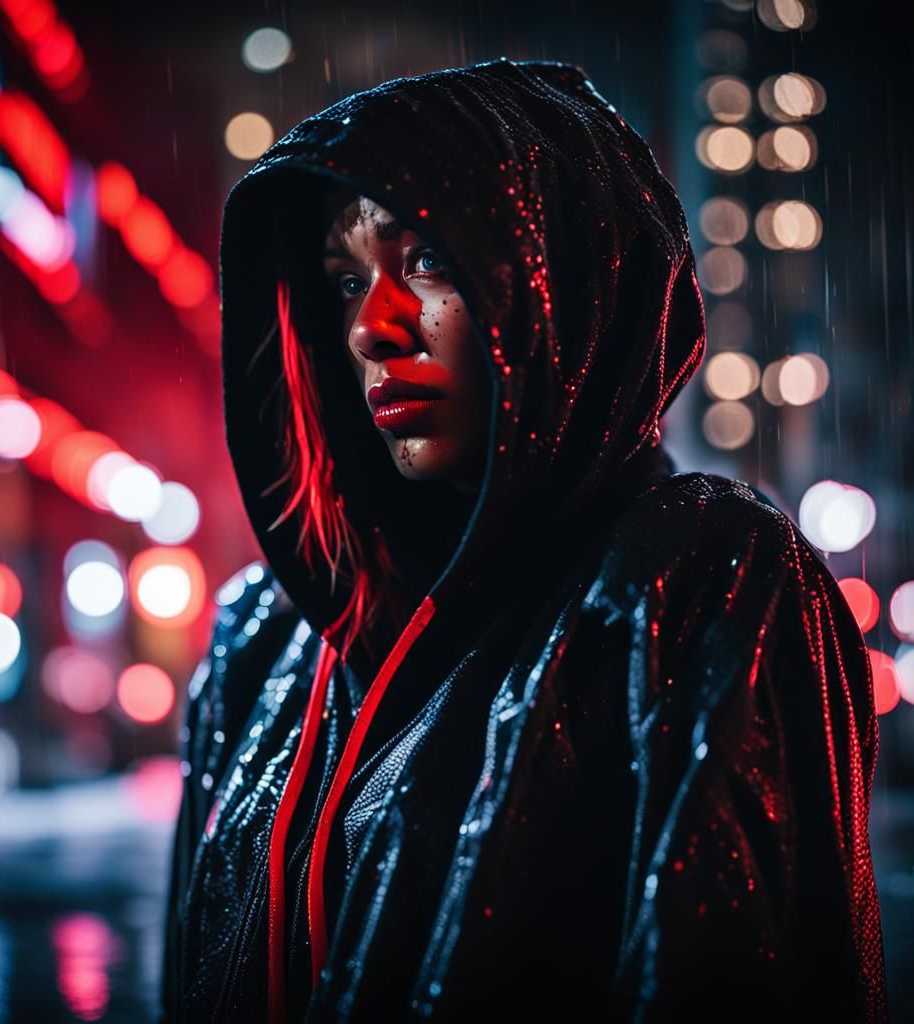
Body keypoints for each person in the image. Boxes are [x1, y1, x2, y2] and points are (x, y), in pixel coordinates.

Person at [161, 58, 887, 1022]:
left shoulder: (695, 581)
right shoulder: (269, 631)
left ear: (567, 275)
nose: (371, 328)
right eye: (343, 279)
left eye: (424, 260)